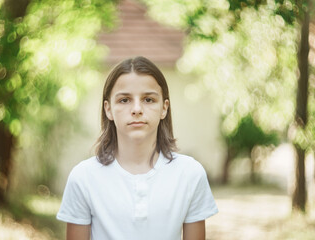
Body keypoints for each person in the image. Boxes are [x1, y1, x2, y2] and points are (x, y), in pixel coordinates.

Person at [57, 56, 218, 240]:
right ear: (108, 109)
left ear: (164, 108)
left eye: (148, 99)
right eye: (124, 100)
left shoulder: (190, 174)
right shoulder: (83, 178)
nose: (136, 109)